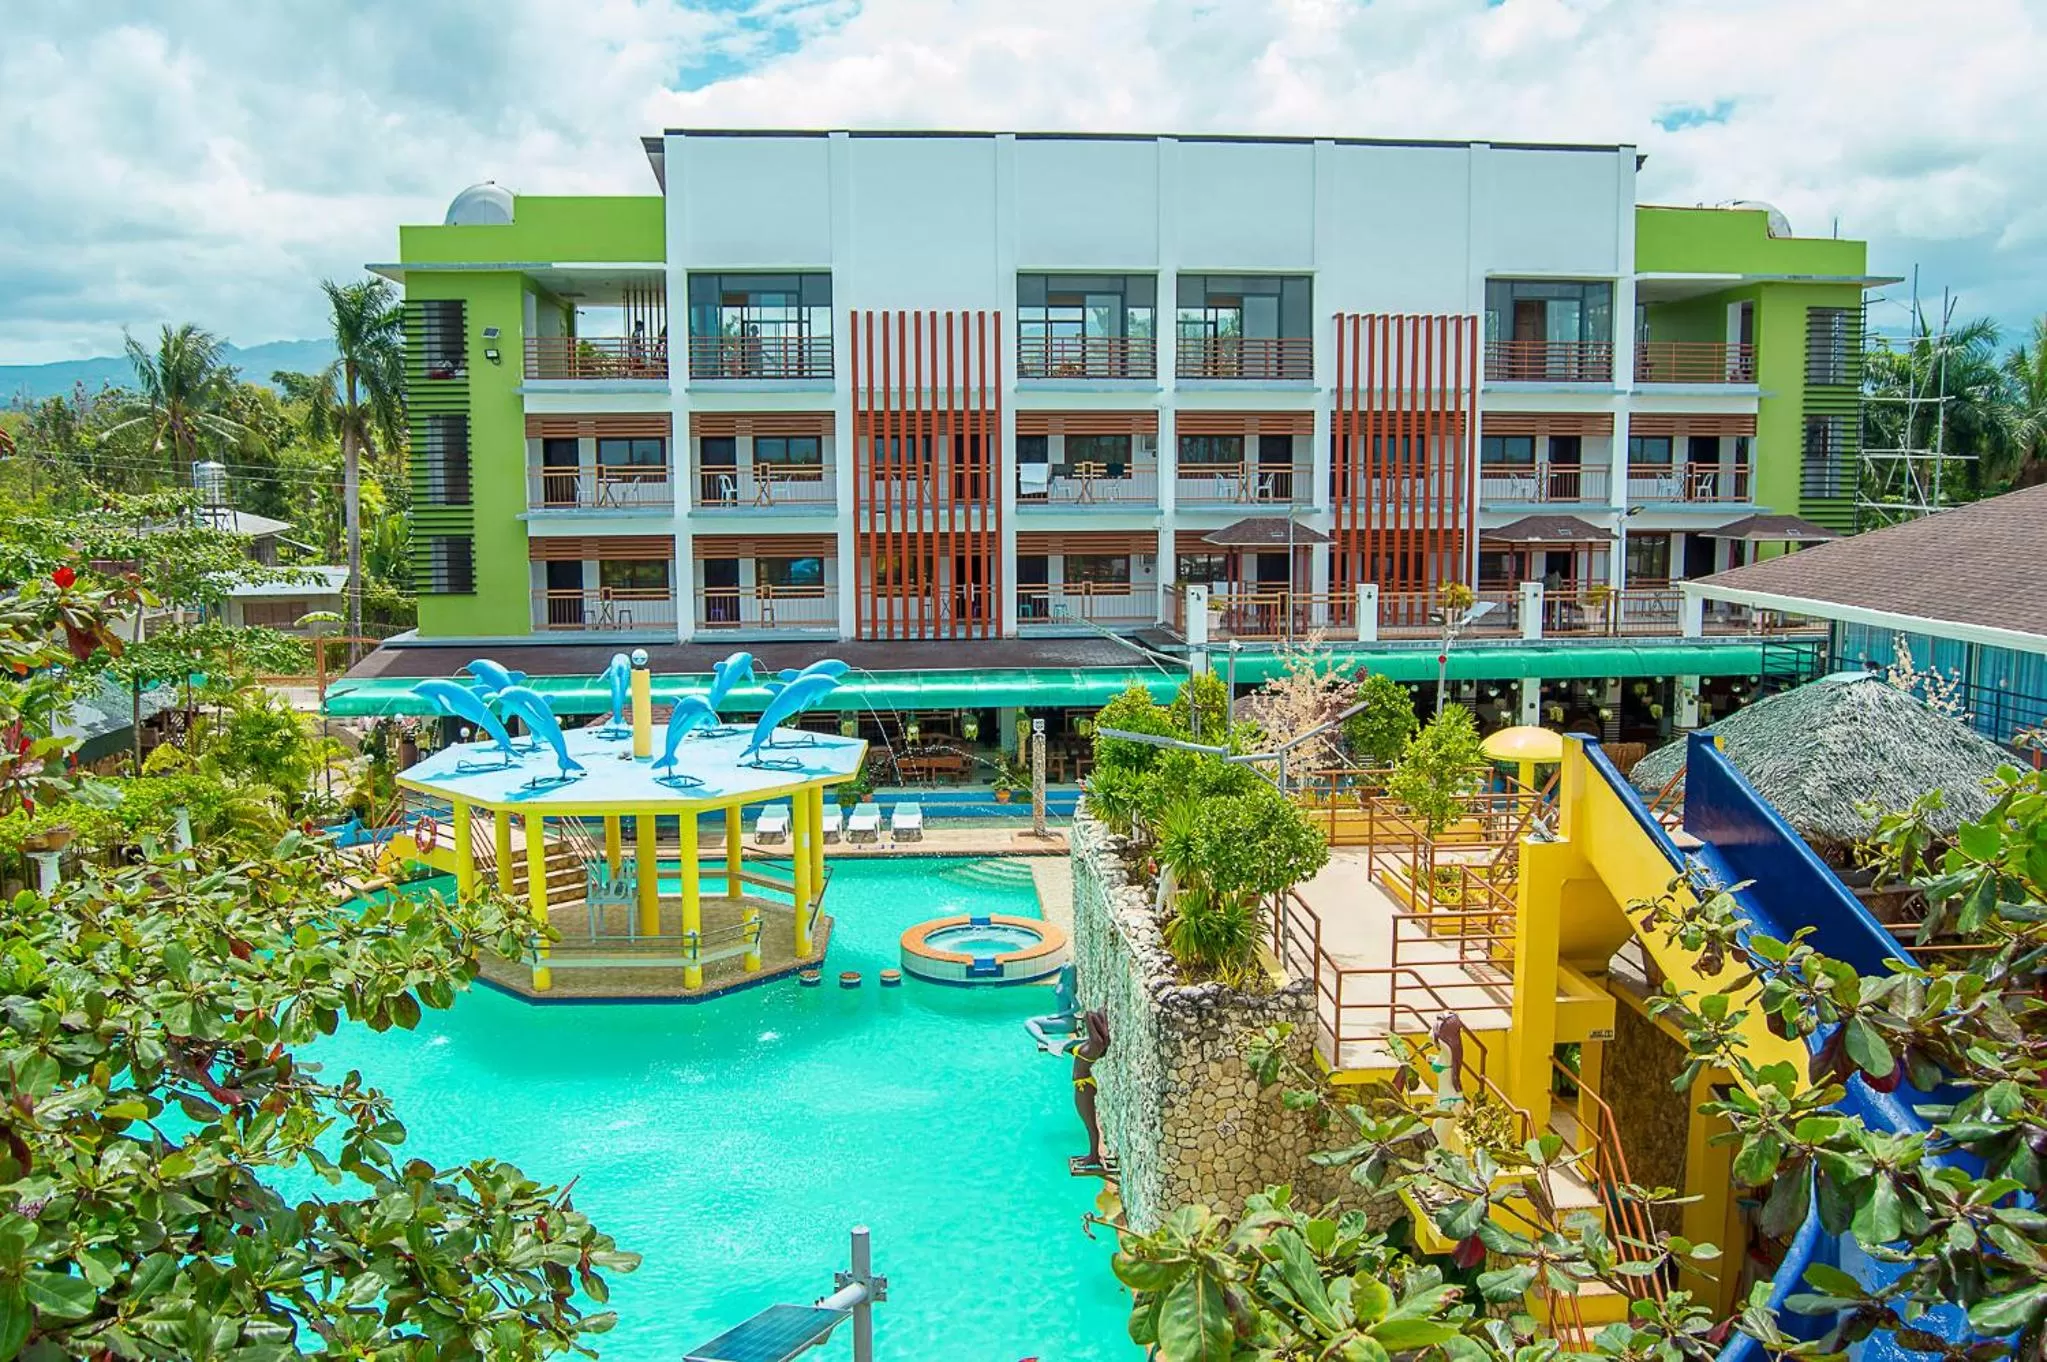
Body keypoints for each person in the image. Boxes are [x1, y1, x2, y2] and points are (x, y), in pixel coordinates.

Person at [1070, 1010, 1110, 1174]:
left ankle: (1094, 1156)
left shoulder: (1095, 1045)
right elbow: (1102, 1031)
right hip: (1085, 1084)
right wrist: (1100, 1014)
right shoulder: (1097, 1046)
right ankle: (1093, 1154)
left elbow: (1091, 1018)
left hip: (1083, 1087)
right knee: (1089, 1123)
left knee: (1090, 1124)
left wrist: (1087, 1016)